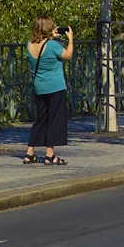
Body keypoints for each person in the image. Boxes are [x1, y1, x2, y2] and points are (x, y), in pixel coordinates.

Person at [24, 17, 72, 165]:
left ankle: (29, 152)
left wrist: (51, 37)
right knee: (54, 120)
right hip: (55, 87)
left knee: (41, 119)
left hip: (39, 88)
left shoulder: (30, 44)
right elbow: (68, 55)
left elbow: (42, 46)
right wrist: (71, 39)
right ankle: (50, 155)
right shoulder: (52, 45)